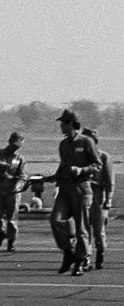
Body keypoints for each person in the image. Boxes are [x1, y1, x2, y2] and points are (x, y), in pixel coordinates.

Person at [51, 109, 101, 275]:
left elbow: (97, 164)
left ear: (70, 124)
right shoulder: (63, 144)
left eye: (62, 123)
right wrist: (55, 178)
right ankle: (68, 252)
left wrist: (82, 170)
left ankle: (81, 260)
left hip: (82, 188)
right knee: (55, 220)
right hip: (65, 188)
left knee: (81, 228)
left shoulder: (86, 141)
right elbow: (63, 165)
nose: (60, 126)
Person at [0, 131, 26, 251]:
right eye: (14, 145)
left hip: (12, 191)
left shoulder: (20, 159)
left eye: (18, 146)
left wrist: (19, 185)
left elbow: (22, 176)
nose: (15, 148)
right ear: (9, 142)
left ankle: (11, 242)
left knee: (12, 218)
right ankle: (1, 232)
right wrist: (6, 165)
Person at [84, 127, 112, 269]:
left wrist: (109, 199)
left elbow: (109, 181)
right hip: (83, 195)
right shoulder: (80, 158)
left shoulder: (103, 157)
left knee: (98, 230)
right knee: (84, 229)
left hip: (98, 196)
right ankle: (86, 257)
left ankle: (100, 252)